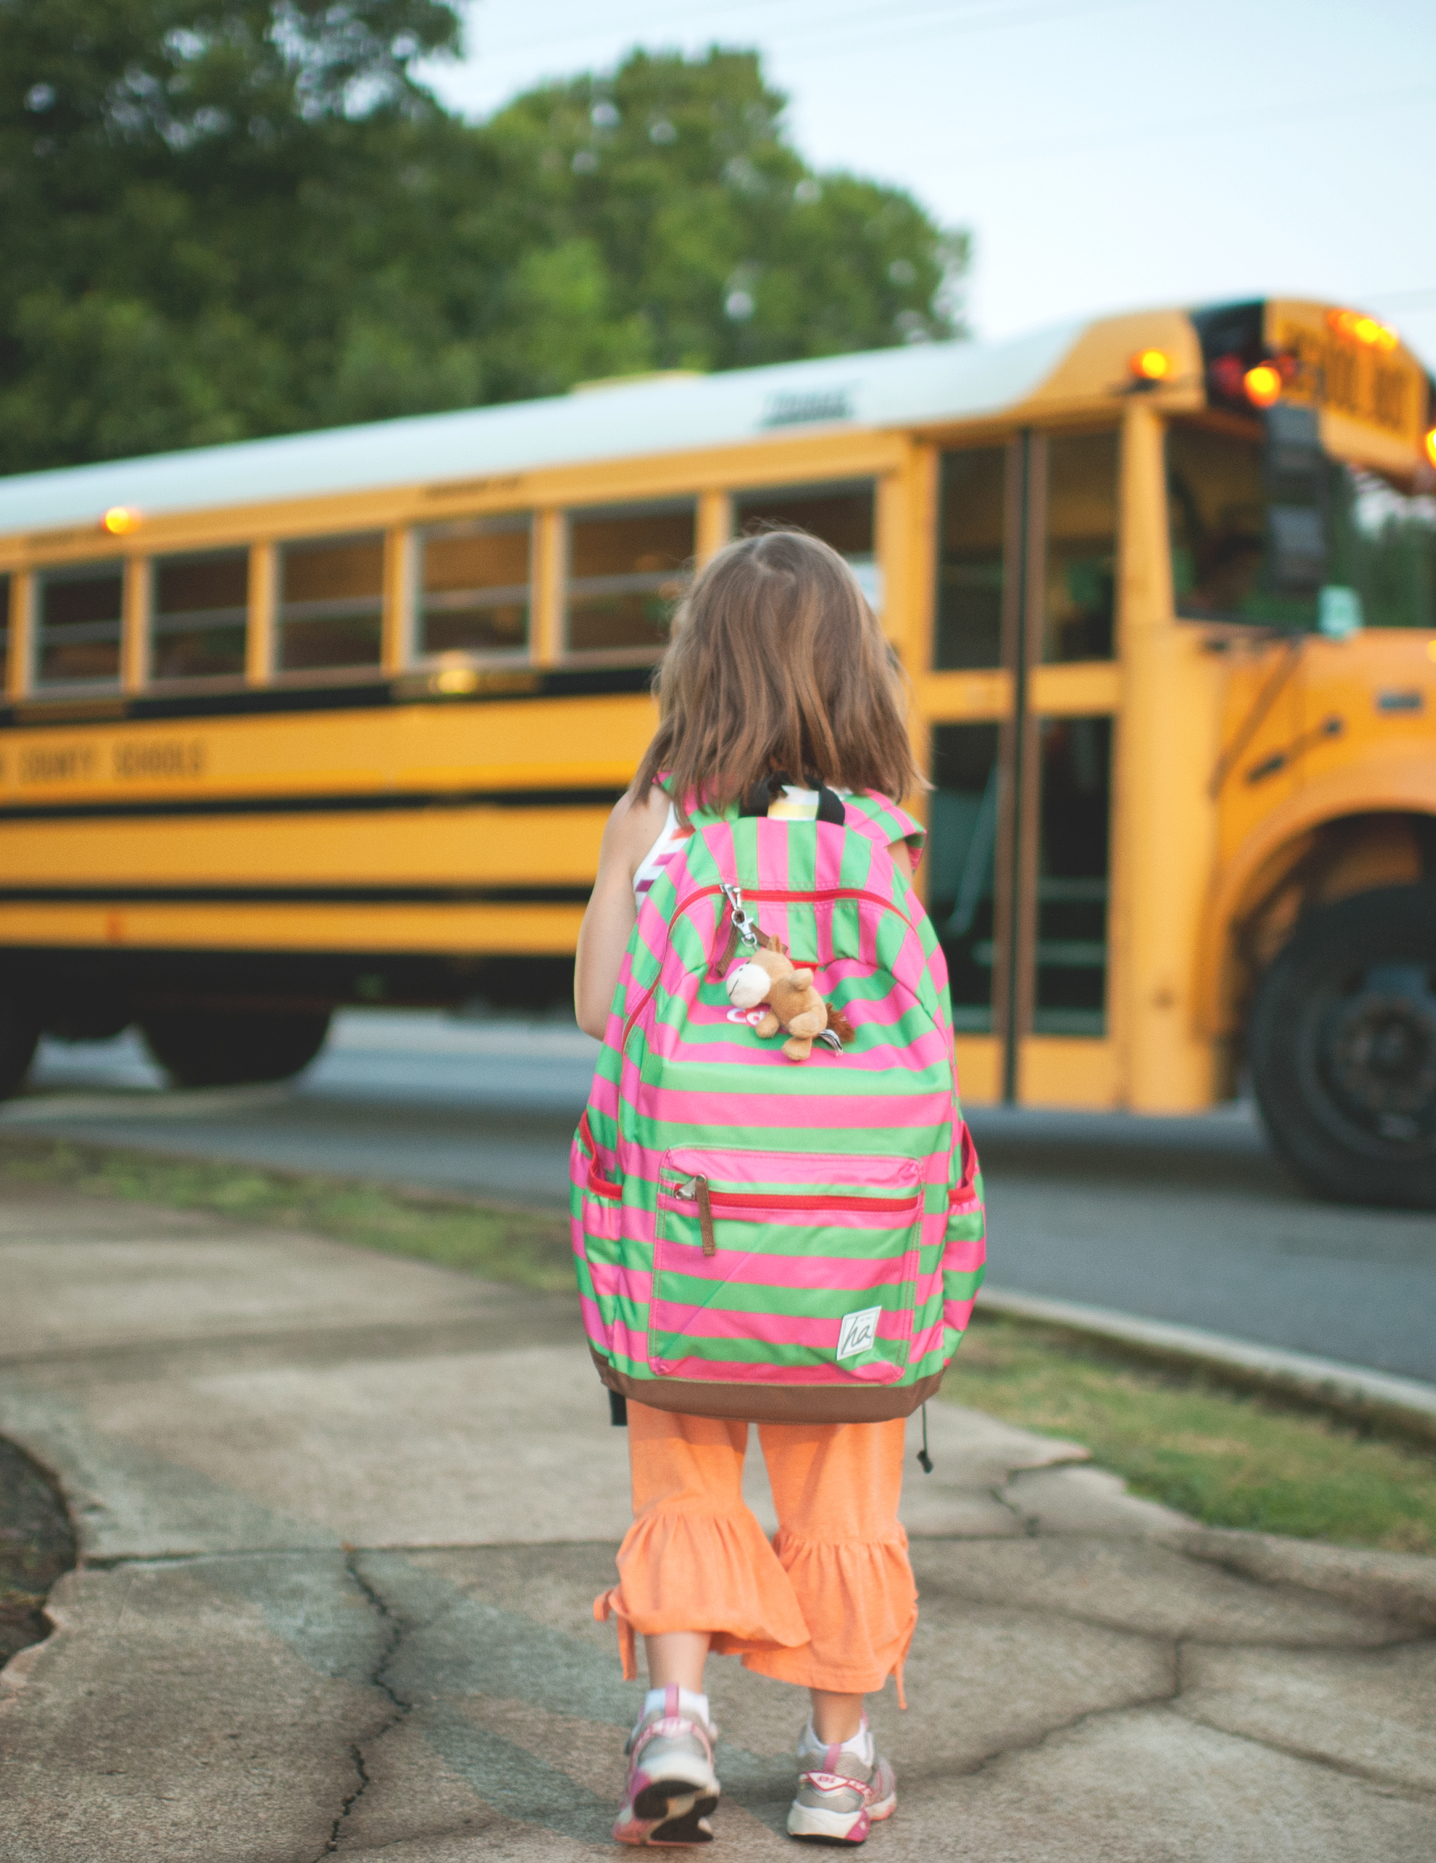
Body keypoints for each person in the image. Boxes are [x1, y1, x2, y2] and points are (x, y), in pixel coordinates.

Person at [572, 527, 931, 1847]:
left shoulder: (659, 817)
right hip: (849, 1252)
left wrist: (633, 864)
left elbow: (605, 1011)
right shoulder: (886, 834)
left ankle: (675, 1725)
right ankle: (839, 1769)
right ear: (853, 671)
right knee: (845, 1496)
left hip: (690, 1236)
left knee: (685, 1482)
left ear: (699, 661)